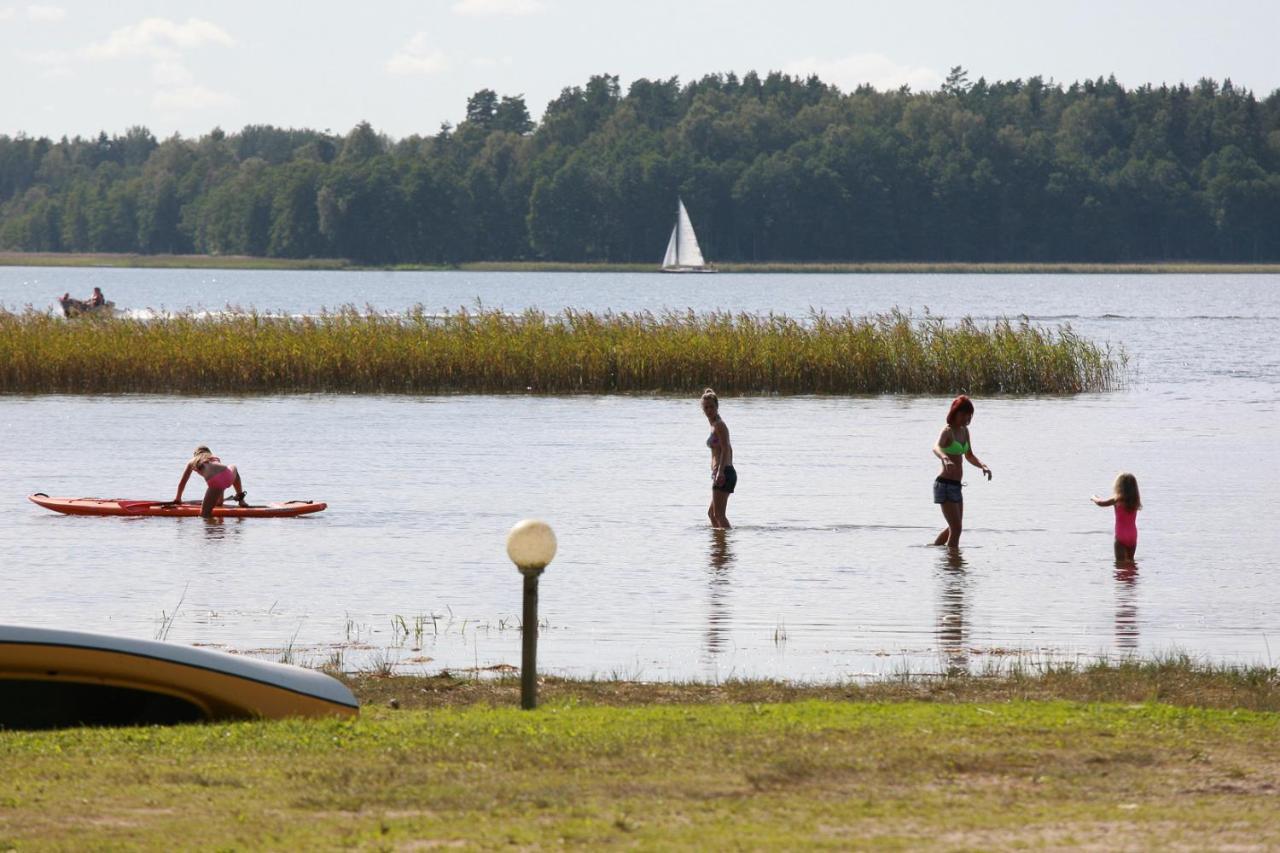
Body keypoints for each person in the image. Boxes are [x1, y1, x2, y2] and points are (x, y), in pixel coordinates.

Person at [932, 395, 991, 548]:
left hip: (956, 486)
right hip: (944, 484)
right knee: (956, 528)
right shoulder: (947, 431)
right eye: (964, 414)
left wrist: (983, 466)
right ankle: (953, 566)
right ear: (955, 413)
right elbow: (936, 447)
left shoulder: (965, 432)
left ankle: (935, 549)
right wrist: (944, 458)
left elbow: (969, 455)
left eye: (969, 415)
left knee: (955, 527)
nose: (967, 418)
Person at [174, 445, 247, 518]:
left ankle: (211, 527)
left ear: (196, 454)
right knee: (233, 466)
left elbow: (183, 482)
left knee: (204, 515)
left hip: (215, 482)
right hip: (228, 476)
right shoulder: (215, 458)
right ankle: (241, 500)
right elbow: (221, 477)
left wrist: (178, 498)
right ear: (209, 452)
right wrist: (219, 502)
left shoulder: (193, 461)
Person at [702, 388, 735, 529]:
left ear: (717, 407)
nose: (709, 410)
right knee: (712, 514)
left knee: (719, 515)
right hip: (721, 472)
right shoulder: (713, 425)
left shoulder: (720, 425)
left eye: (712, 407)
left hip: (725, 472)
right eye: (706, 407)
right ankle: (719, 545)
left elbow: (726, 448)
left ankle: (727, 545)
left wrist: (721, 471)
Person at [1092, 472, 1142, 561]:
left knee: (1119, 565)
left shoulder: (1117, 500)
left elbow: (1100, 503)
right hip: (1133, 536)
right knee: (1131, 562)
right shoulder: (1135, 501)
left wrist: (1094, 497)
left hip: (1121, 536)